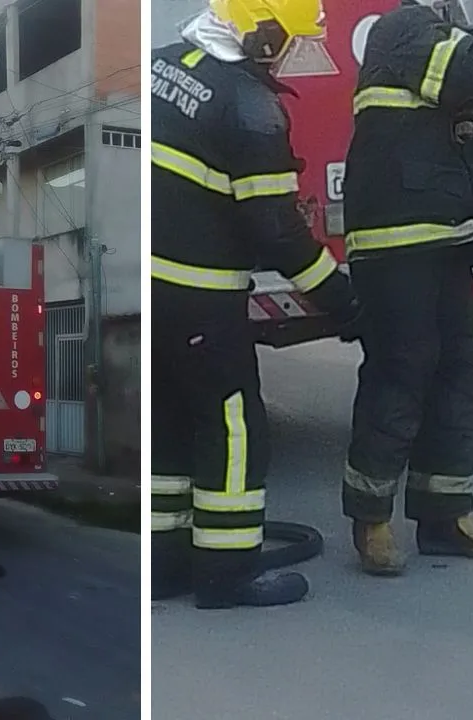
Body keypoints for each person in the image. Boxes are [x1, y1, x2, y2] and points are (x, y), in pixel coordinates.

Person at [151, 0, 365, 609]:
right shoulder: (250, 108)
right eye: (294, 42)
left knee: (167, 425)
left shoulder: (165, 64)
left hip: (153, 292)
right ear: (263, 35)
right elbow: (276, 232)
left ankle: (165, 563)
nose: (297, 55)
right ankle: (228, 572)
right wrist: (342, 300)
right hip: (200, 294)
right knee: (234, 426)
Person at [340, 0, 473, 576]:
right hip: (394, 243)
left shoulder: (449, 37)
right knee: (401, 371)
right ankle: (371, 519)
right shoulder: (402, 29)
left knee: (459, 371)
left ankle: (444, 515)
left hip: (449, 239)